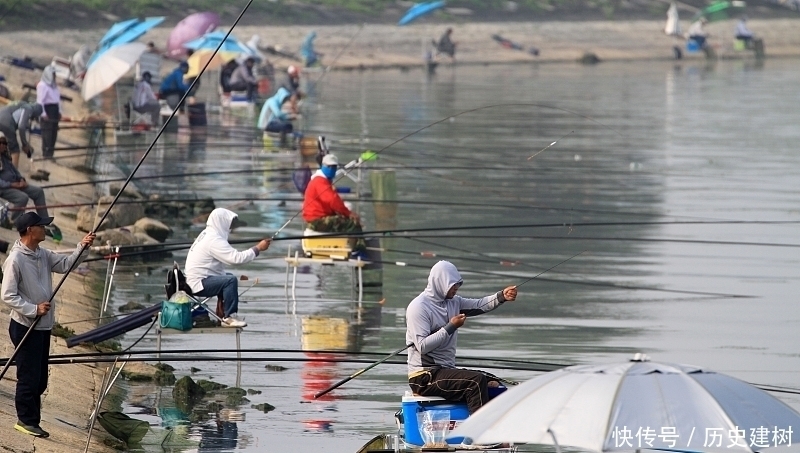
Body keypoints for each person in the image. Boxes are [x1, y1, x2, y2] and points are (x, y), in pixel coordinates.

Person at [2, 212, 95, 438]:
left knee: (41, 378)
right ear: (30, 230)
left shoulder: (42, 254)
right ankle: (26, 421)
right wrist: (33, 309)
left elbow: (65, 265)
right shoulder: (16, 259)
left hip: (43, 326)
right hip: (25, 325)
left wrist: (82, 248)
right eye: (42, 226)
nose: (46, 229)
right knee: (29, 376)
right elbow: (7, 295)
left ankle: (32, 418)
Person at [406, 261, 517, 414]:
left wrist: (501, 296)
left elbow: (479, 305)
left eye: (458, 284)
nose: (456, 288)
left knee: (492, 383)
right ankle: (477, 435)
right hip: (424, 376)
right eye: (453, 285)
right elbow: (423, 347)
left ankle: (498, 432)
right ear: (440, 283)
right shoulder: (418, 307)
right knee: (475, 382)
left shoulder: (454, 301)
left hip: (445, 371)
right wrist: (451, 327)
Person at [184, 208, 271, 328]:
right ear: (221, 222)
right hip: (198, 283)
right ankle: (228, 317)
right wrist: (258, 248)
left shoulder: (207, 234)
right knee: (230, 280)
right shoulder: (213, 239)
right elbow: (236, 258)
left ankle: (222, 313)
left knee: (228, 277)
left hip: (196, 280)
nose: (230, 228)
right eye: (228, 224)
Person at [301, 153, 366, 255]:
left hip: (319, 219)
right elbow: (333, 200)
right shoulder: (320, 181)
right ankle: (359, 252)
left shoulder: (322, 180)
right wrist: (349, 214)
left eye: (334, 167)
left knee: (346, 220)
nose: (332, 169)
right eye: (329, 166)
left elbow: (332, 203)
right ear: (323, 166)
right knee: (353, 223)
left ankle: (353, 246)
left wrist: (344, 213)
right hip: (317, 222)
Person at [0, 131, 51, 225]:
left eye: (4, 143)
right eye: (0, 143)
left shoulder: (5, 157)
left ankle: (45, 222)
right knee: (23, 198)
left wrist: (21, 179)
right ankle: (15, 222)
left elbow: (14, 171)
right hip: (4, 188)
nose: (3, 145)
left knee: (38, 191)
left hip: (16, 184)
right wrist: (12, 185)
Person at [0, 102, 42, 167]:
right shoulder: (29, 109)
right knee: (15, 150)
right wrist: (25, 144)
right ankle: (14, 174)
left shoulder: (22, 104)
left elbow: (20, 120)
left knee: (3, 143)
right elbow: (21, 127)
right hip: (7, 123)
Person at [36, 65, 65, 159]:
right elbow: (40, 101)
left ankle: (51, 154)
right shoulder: (42, 85)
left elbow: (57, 100)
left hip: (54, 110)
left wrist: (60, 111)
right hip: (47, 109)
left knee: (53, 133)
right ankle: (46, 154)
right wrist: (43, 113)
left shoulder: (54, 86)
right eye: (53, 74)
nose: (54, 76)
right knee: (47, 133)